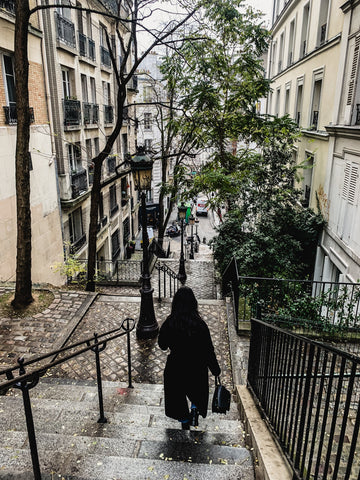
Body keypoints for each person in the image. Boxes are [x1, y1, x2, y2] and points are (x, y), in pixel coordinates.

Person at [158, 286, 221, 430]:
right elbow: (208, 350)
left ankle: (184, 419)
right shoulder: (200, 324)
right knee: (197, 390)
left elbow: (162, 345)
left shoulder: (170, 322)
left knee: (176, 396)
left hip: (176, 366)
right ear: (193, 303)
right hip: (196, 367)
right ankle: (194, 408)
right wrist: (215, 369)